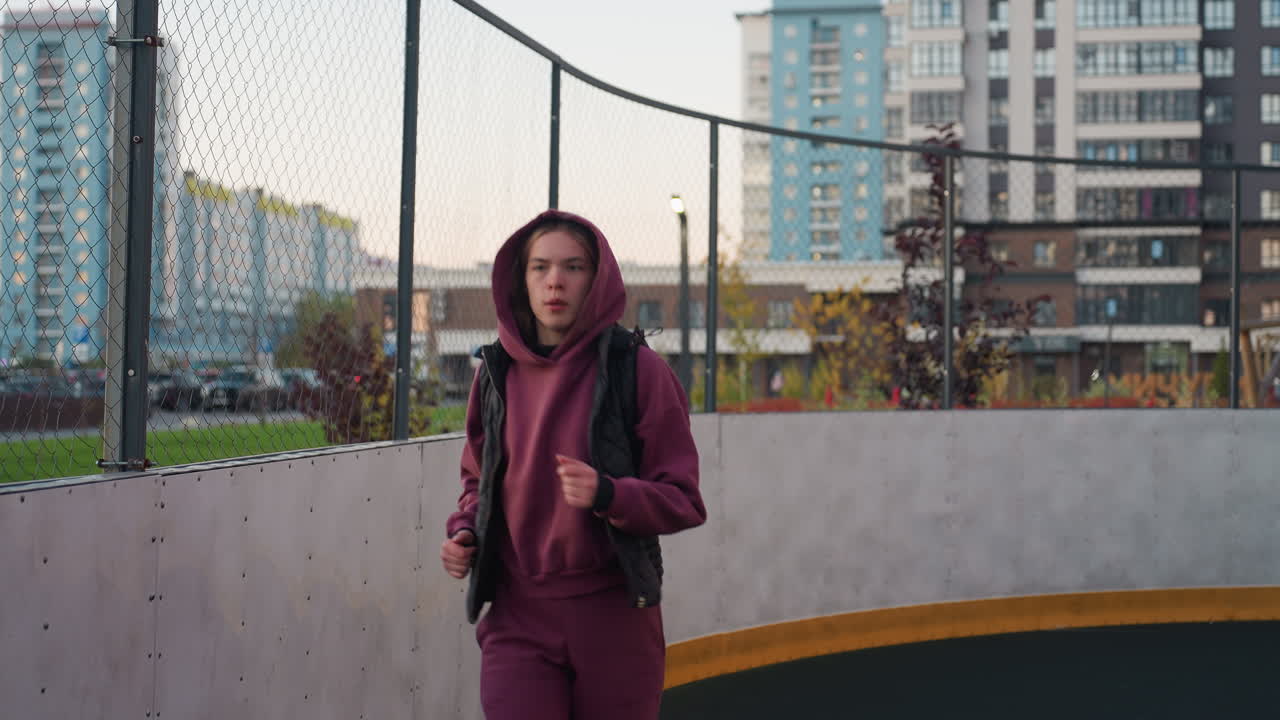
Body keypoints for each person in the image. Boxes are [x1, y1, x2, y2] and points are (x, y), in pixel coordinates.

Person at [440, 209, 707, 719]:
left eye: (573, 267)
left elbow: (684, 500)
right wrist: (466, 533)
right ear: (521, 280)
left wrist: (609, 494)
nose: (554, 281)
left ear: (598, 278)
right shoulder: (494, 372)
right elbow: (478, 483)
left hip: (614, 618)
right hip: (517, 617)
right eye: (539, 267)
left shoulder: (637, 369)